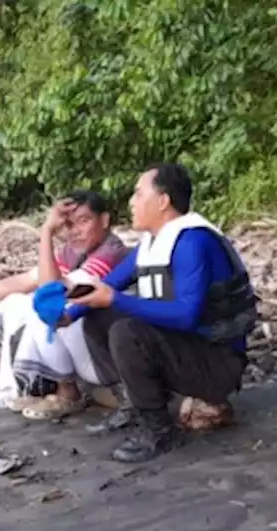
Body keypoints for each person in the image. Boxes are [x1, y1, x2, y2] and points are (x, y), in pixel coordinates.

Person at [65, 163, 258, 463]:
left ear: (163, 201)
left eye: (138, 194)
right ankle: (135, 403)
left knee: (126, 331)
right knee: (98, 314)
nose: (131, 202)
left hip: (217, 362)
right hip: (185, 349)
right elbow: (105, 287)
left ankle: (158, 431)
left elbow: (186, 316)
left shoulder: (193, 241)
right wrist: (69, 314)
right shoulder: (152, 243)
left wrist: (114, 299)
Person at [0, 190, 130, 416]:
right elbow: (23, 281)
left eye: (83, 221)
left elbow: (52, 294)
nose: (75, 231)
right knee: (17, 301)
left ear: (105, 220)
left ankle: (67, 392)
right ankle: (51, 385)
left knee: (42, 308)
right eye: (68, 225)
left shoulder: (112, 252)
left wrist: (46, 232)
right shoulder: (72, 252)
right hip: (86, 351)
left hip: (107, 359)